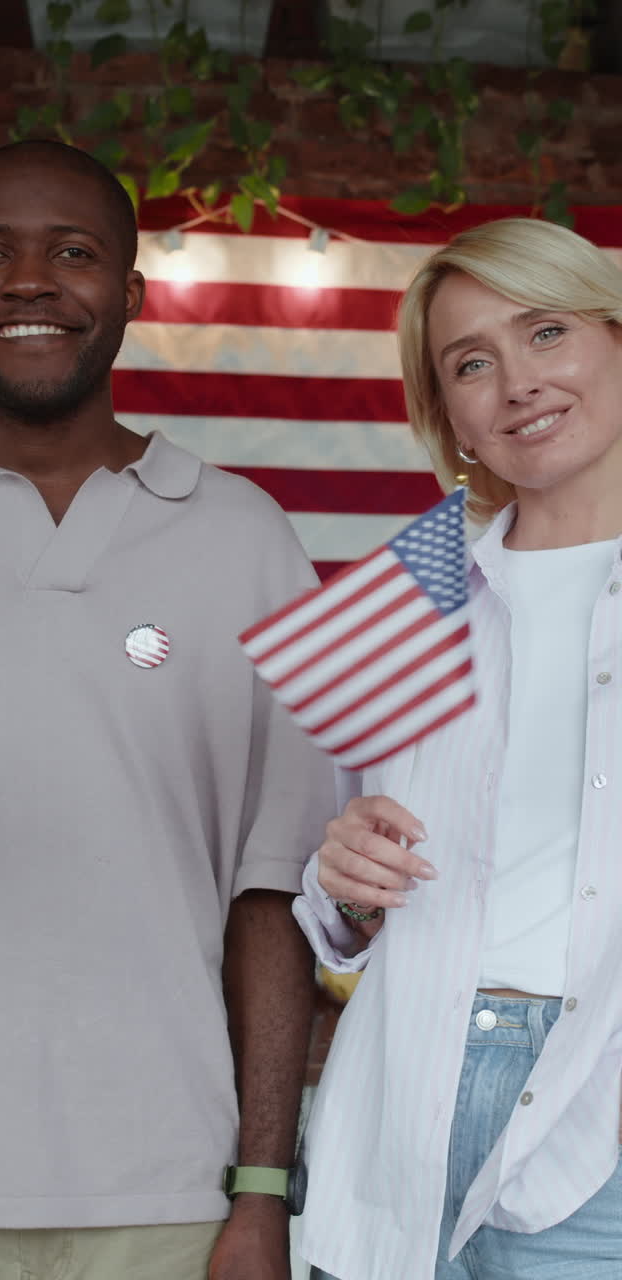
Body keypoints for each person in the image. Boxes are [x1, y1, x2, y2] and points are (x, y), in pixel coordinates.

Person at [0, 139, 335, 1280]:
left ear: (132, 295)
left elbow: (273, 888)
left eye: (74, 252)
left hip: (171, 1192)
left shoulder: (245, 537)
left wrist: (263, 1189)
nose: (31, 281)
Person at [291, 217, 622, 1280]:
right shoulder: (412, 594)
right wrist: (344, 880)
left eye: (548, 332)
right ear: (453, 421)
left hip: (597, 1106)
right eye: (471, 363)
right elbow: (333, 897)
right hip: (404, 1091)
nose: (516, 380)